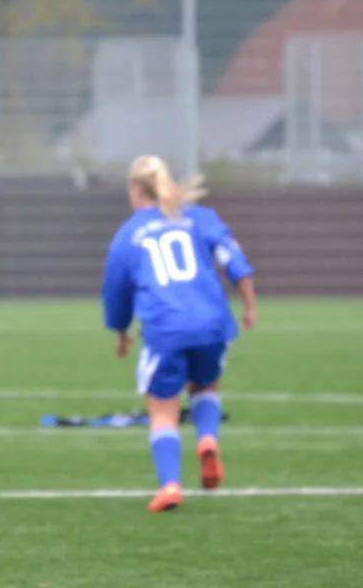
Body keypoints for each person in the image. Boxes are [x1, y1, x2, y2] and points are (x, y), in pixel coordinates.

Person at [101, 155, 256, 513]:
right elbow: (235, 261)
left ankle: (170, 485)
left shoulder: (129, 233)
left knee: (163, 409)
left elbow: (116, 289)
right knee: (205, 387)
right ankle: (207, 439)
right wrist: (249, 306)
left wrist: (121, 331)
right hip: (212, 323)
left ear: (136, 189)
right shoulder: (200, 218)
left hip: (165, 327)